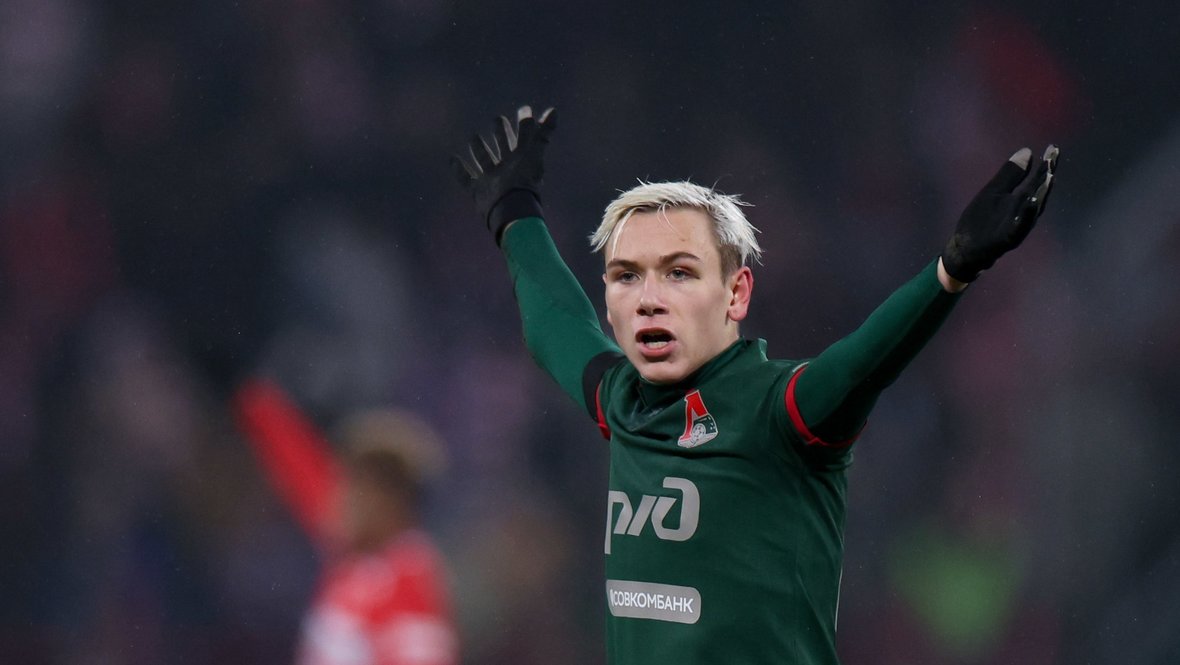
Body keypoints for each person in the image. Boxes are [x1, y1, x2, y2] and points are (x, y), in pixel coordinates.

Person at [451, 105, 1058, 664]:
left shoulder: (776, 409)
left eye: (679, 273)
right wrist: (514, 212)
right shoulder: (623, 401)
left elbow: (862, 363)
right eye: (626, 276)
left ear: (736, 293)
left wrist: (950, 273)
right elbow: (555, 322)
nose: (649, 299)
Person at [233, 378, 459, 665]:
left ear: (393, 501)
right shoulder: (357, 558)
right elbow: (302, 472)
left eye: (357, 489)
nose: (343, 498)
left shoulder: (410, 580)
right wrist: (252, 396)